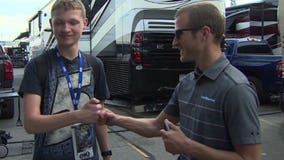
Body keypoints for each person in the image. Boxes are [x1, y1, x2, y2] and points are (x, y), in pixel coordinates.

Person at [98, 2, 262, 160]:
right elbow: (156, 126)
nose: (174, 42)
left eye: (178, 34)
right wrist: (115, 119)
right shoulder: (187, 83)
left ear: (204, 33)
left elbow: (250, 158)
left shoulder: (236, 89)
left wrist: (187, 146)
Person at [18, 0, 111, 159]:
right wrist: (79, 115)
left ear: (85, 23)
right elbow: (31, 123)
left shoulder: (95, 65)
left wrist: (106, 154)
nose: (66, 29)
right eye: (59, 22)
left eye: (73, 22)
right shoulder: (37, 66)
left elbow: (99, 118)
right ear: (51, 24)